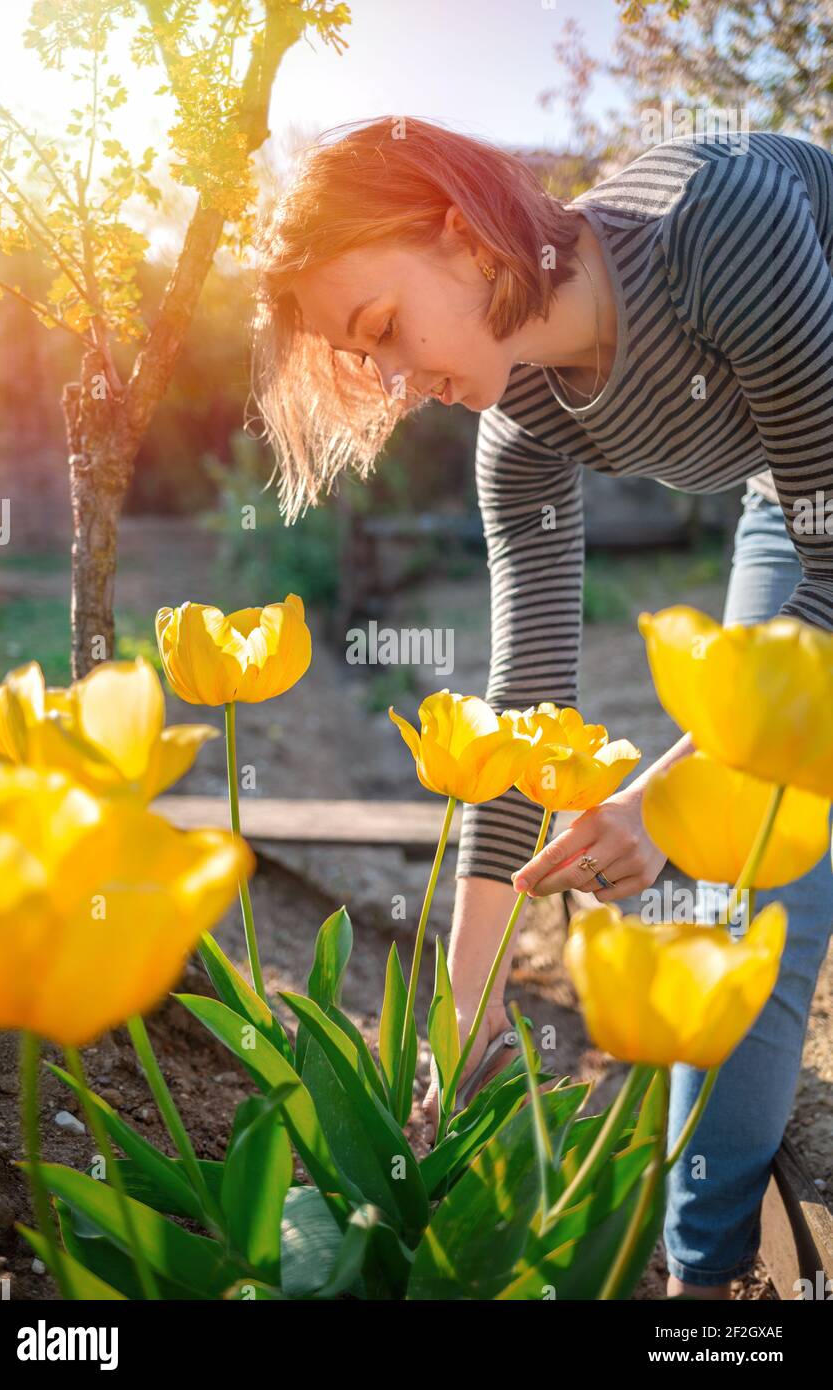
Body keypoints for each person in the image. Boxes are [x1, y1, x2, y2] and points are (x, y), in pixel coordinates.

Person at [249, 115, 833, 1299]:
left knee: (730, 806)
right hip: (800, 489)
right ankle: (702, 1285)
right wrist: (462, 1008)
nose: (398, 385)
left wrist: (664, 791)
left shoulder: (722, 227)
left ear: (462, 235)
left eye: (381, 330)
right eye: (367, 363)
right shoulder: (519, 427)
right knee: (753, 880)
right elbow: (525, 702)